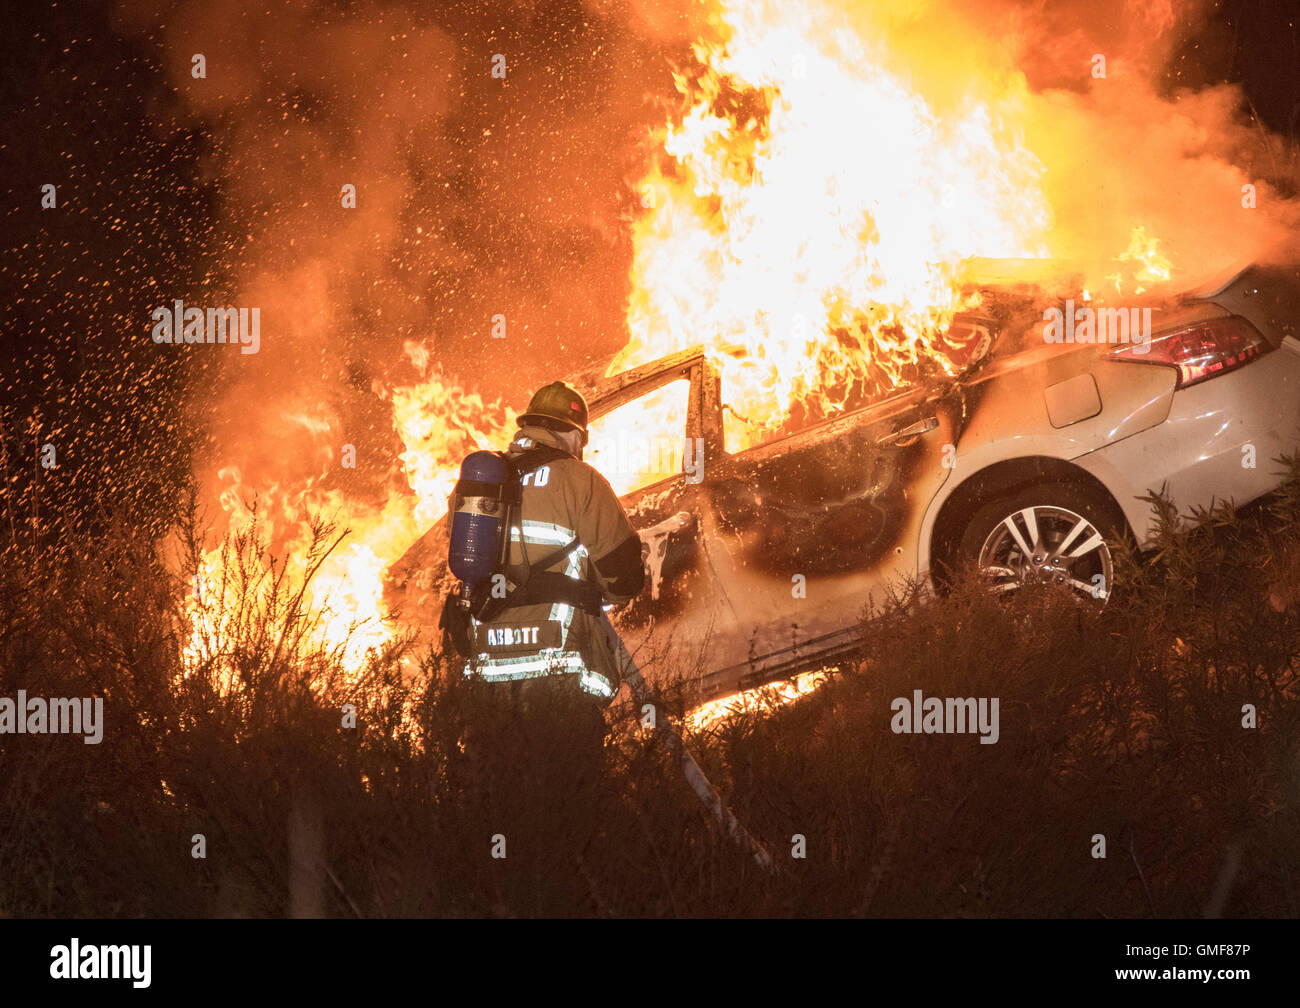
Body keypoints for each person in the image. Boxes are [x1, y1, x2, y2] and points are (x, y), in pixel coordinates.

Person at [459, 380, 645, 912]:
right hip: (559, 676)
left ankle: (500, 901)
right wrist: (595, 588)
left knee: (502, 813)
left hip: (491, 680)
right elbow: (625, 576)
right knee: (568, 810)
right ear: (572, 434)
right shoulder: (579, 481)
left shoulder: (484, 485)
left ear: (528, 427)